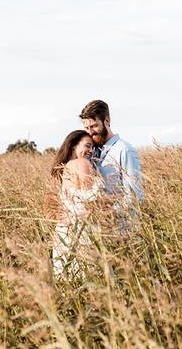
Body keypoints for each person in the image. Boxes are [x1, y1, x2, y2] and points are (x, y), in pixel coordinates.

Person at [49, 129, 105, 281]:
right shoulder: (82, 163)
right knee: (89, 280)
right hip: (82, 230)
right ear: (74, 146)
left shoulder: (66, 167)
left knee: (69, 280)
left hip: (64, 232)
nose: (90, 151)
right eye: (87, 146)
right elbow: (91, 197)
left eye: (92, 147)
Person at [79, 100, 143, 229]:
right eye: (86, 128)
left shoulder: (124, 150)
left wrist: (107, 214)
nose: (90, 132)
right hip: (99, 232)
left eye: (94, 126)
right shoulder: (91, 151)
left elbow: (135, 196)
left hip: (123, 229)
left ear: (107, 121)